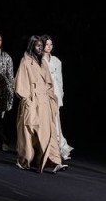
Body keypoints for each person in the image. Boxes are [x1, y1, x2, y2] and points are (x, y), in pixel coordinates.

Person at [15, 35, 68, 173]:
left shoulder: (43, 62)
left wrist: (52, 98)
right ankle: (26, 160)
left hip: (45, 102)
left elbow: (50, 83)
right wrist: (27, 100)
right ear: (32, 46)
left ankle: (55, 161)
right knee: (30, 133)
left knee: (49, 132)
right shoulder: (25, 61)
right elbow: (20, 83)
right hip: (32, 101)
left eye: (41, 45)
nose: (40, 48)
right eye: (37, 45)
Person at [42, 34, 73, 160]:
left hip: (55, 93)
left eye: (51, 44)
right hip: (44, 93)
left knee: (55, 120)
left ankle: (60, 148)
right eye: (46, 44)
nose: (49, 46)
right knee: (45, 121)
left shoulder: (56, 60)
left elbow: (60, 80)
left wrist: (60, 94)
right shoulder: (38, 60)